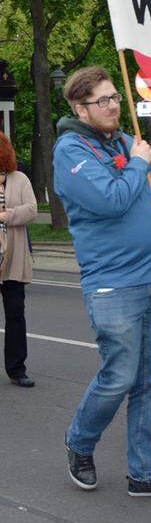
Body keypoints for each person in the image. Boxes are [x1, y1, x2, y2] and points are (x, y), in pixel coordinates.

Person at [53, 66, 151, 498]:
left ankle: (145, 473)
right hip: (114, 285)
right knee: (119, 376)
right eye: (104, 100)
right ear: (81, 107)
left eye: (116, 97)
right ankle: (79, 440)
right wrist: (138, 161)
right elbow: (113, 201)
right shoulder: (70, 150)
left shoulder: (125, 143)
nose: (115, 105)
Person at [0, 132, 37, 388]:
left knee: (15, 314)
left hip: (13, 257)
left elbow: (32, 210)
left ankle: (16, 369)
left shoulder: (19, 178)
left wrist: (7, 215)